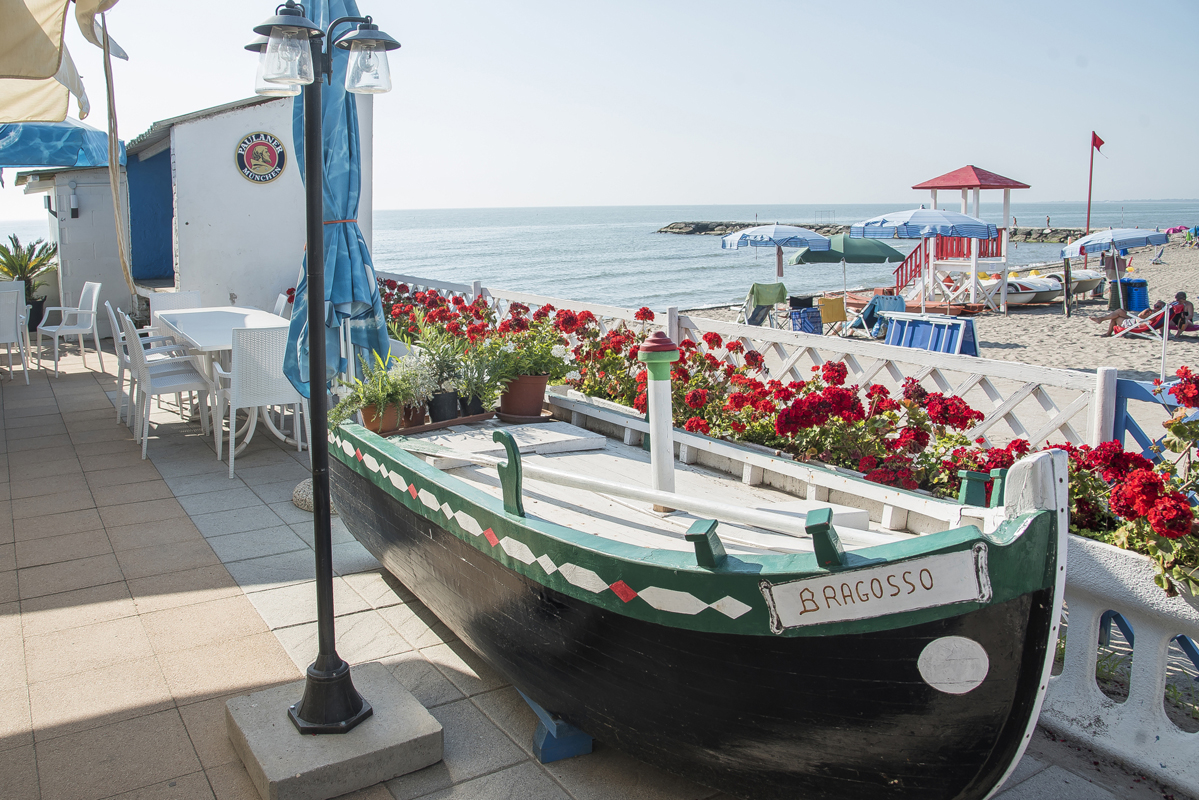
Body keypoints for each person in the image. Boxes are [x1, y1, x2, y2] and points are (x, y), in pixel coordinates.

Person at [1089, 301, 1164, 337]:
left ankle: (1107, 331)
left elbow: (1140, 315)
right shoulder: (1160, 315)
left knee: (1116, 317)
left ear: (1161, 308)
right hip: (1135, 321)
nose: (1154, 307)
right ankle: (1101, 320)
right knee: (1119, 311)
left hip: (1134, 324)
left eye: (1157, 306)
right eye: (1155, 305)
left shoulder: (1155, 316)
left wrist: (1147, 309)